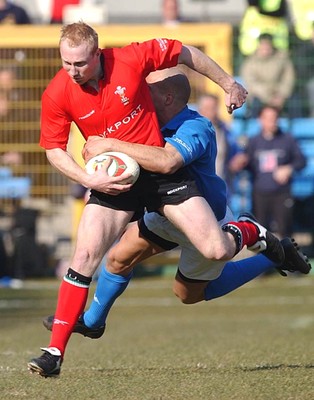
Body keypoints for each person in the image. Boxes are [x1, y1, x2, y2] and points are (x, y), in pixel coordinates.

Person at [27, 22, 282, 378]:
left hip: (161, 175)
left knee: (216, 251)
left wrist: (228, 83)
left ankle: (249, 233)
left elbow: (186, 52)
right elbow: (54, 149)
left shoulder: (131, 57)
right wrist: (88, 178)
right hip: (114, 179)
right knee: (85, 256)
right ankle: (54, 352)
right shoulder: (57, 92)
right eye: (66, 63)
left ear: (97, 54)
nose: (72, 72)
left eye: (80, 64)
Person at [42, 69, 310, 344]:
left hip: (205, 220)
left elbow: (167, 161)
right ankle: (93, 322)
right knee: (117, 259)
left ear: (168, 97)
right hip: (168, 212)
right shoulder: (146, 122)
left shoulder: (196, 127)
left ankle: (262, 245)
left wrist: (110, 144)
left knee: (187, 294)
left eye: (149, 92)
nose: (139, 95)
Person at [237, 105, 307, 239]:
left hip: (281, 192)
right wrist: (240, 162)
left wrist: (288, 168)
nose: (272, 122)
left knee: (285, 229)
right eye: (268, 118)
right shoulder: (254, 141)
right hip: (260, 193)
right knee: (259, 232)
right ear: (260, 120)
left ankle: (288, 259)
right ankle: (260, 260)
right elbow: (247, 164)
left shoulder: (287, 139)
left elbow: (301, 161)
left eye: (274, 118)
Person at [197, 93, 247, 195]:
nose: (212, 112)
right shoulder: (192, 130)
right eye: (208, 108)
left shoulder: (225, 130)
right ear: (200, 110)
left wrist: (238, 158)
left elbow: (237, 150)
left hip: (220, 186)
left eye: (214, 108)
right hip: (198, 188)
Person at [240, 33, 296, 118]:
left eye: (268, 45)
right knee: (255, 103)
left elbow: (288, 79)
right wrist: (268, 97)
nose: (265, 49)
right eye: (263, 45)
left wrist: (281, 95)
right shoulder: (250, 62)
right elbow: (251, 83)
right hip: (259, 96)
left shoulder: (282, 59)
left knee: (295, 102)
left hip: (280, 95)